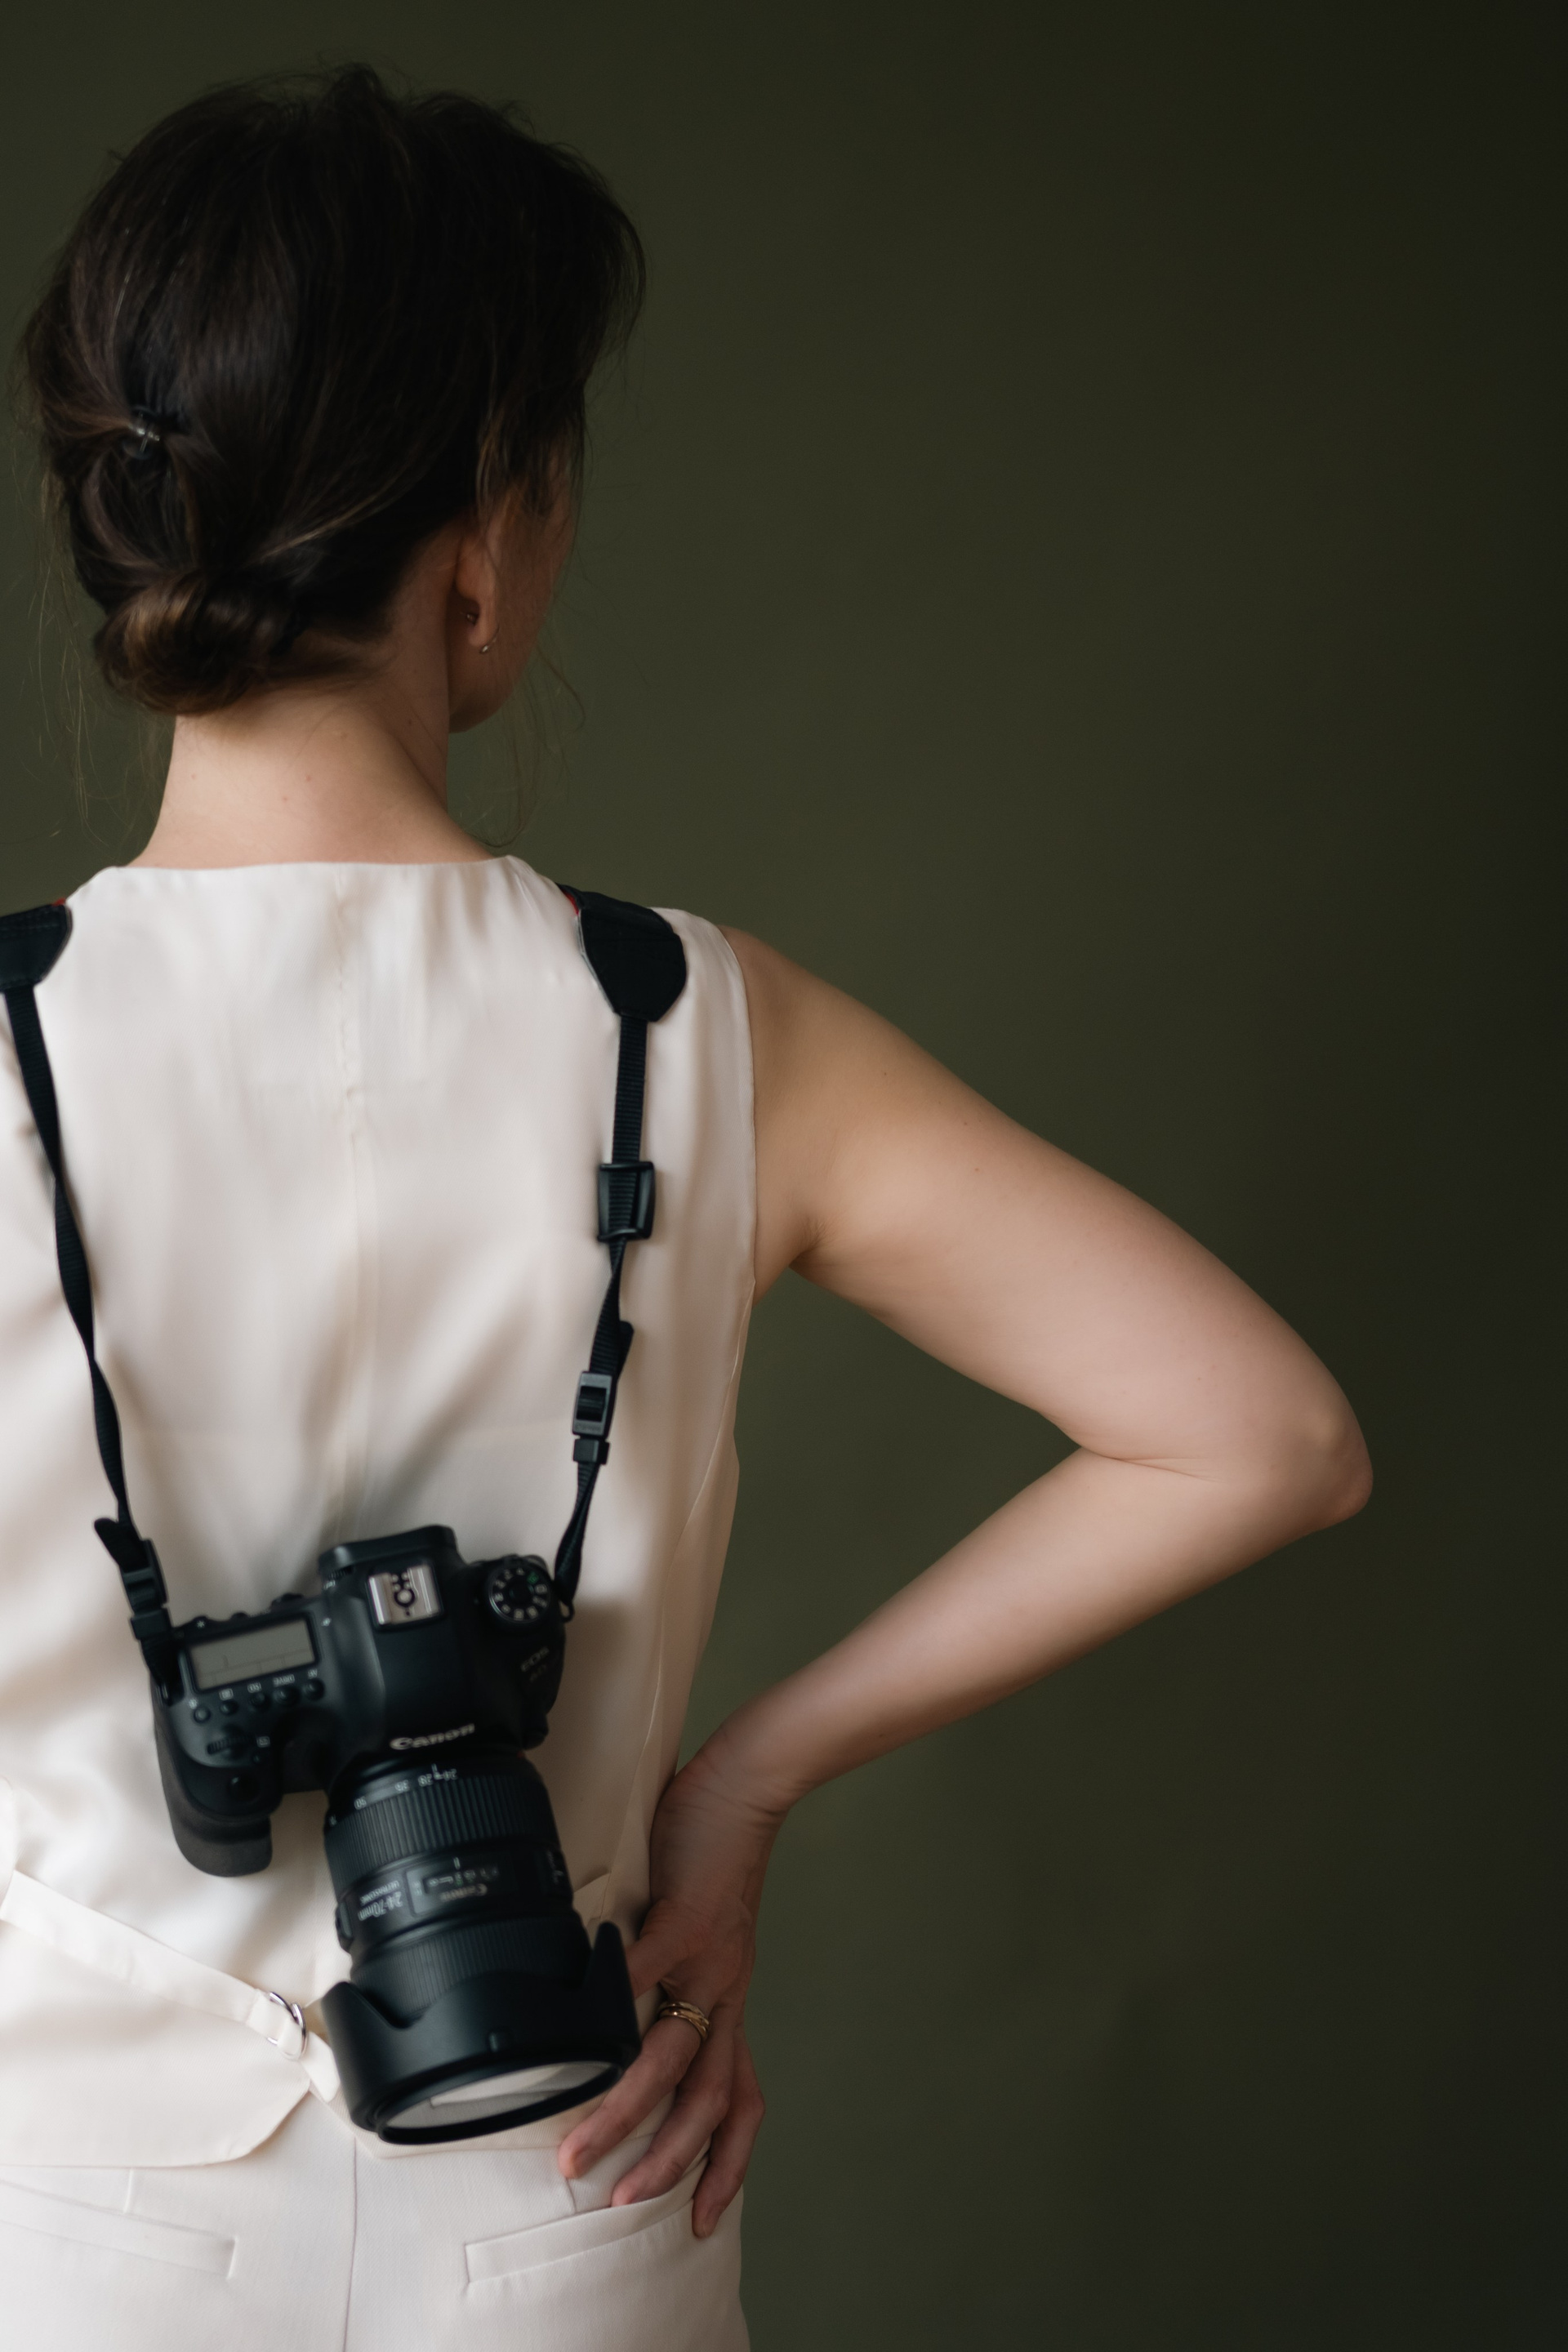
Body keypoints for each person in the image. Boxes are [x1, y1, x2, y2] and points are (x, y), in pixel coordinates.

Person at [0, 65, 1370, 2352]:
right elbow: (1268, 1435)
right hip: (571, 2180)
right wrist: (736, 1793)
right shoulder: (705, 1025)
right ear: (486, 533)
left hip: (64, 2213)